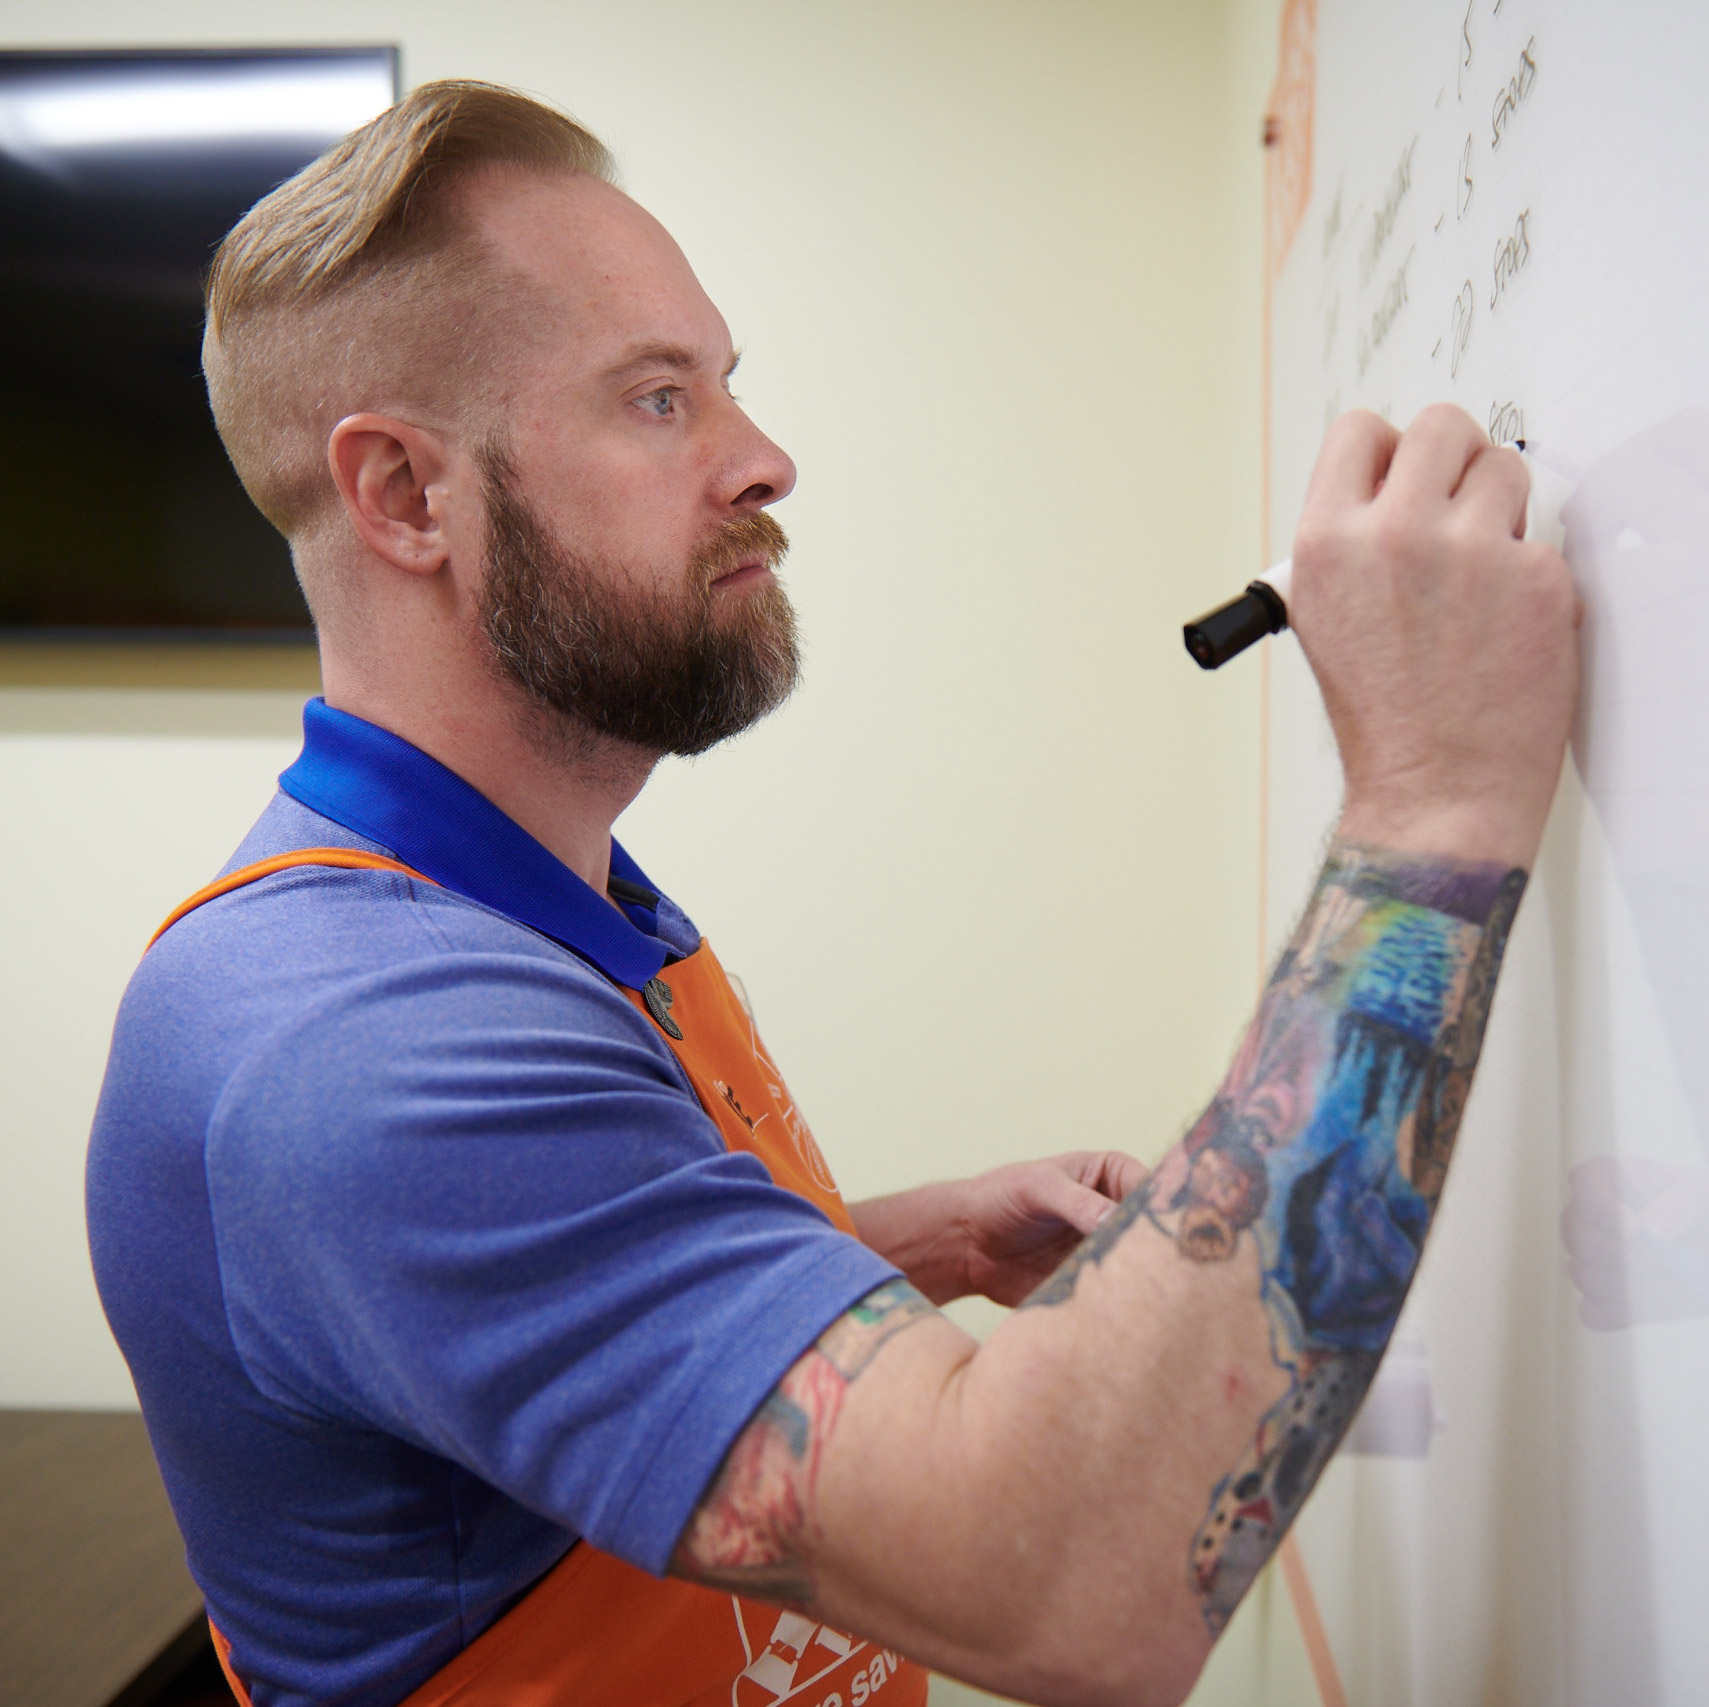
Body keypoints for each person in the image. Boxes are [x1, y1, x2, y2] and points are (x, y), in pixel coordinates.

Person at [85, 80, 1578, 1707]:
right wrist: (1432, 802)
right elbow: (1066, 1581)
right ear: (403, 495)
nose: (765, 460)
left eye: (727, 385)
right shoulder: (361, 1044)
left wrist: (913, 1242)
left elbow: (510, 1309)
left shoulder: (515, 896)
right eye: (659, 398)